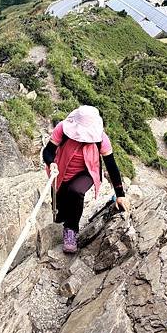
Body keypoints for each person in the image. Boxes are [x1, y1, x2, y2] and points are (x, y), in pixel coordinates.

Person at [42, 105, 129, 253]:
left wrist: (120, 195)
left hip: (87, 173)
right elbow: (48, 151)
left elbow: (111, 165)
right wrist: (51, 163)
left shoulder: (101, 138)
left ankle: (71, 231)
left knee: (75, 192)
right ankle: (62, 225)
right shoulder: (62, 129)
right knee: (58, 213)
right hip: (60, 171)